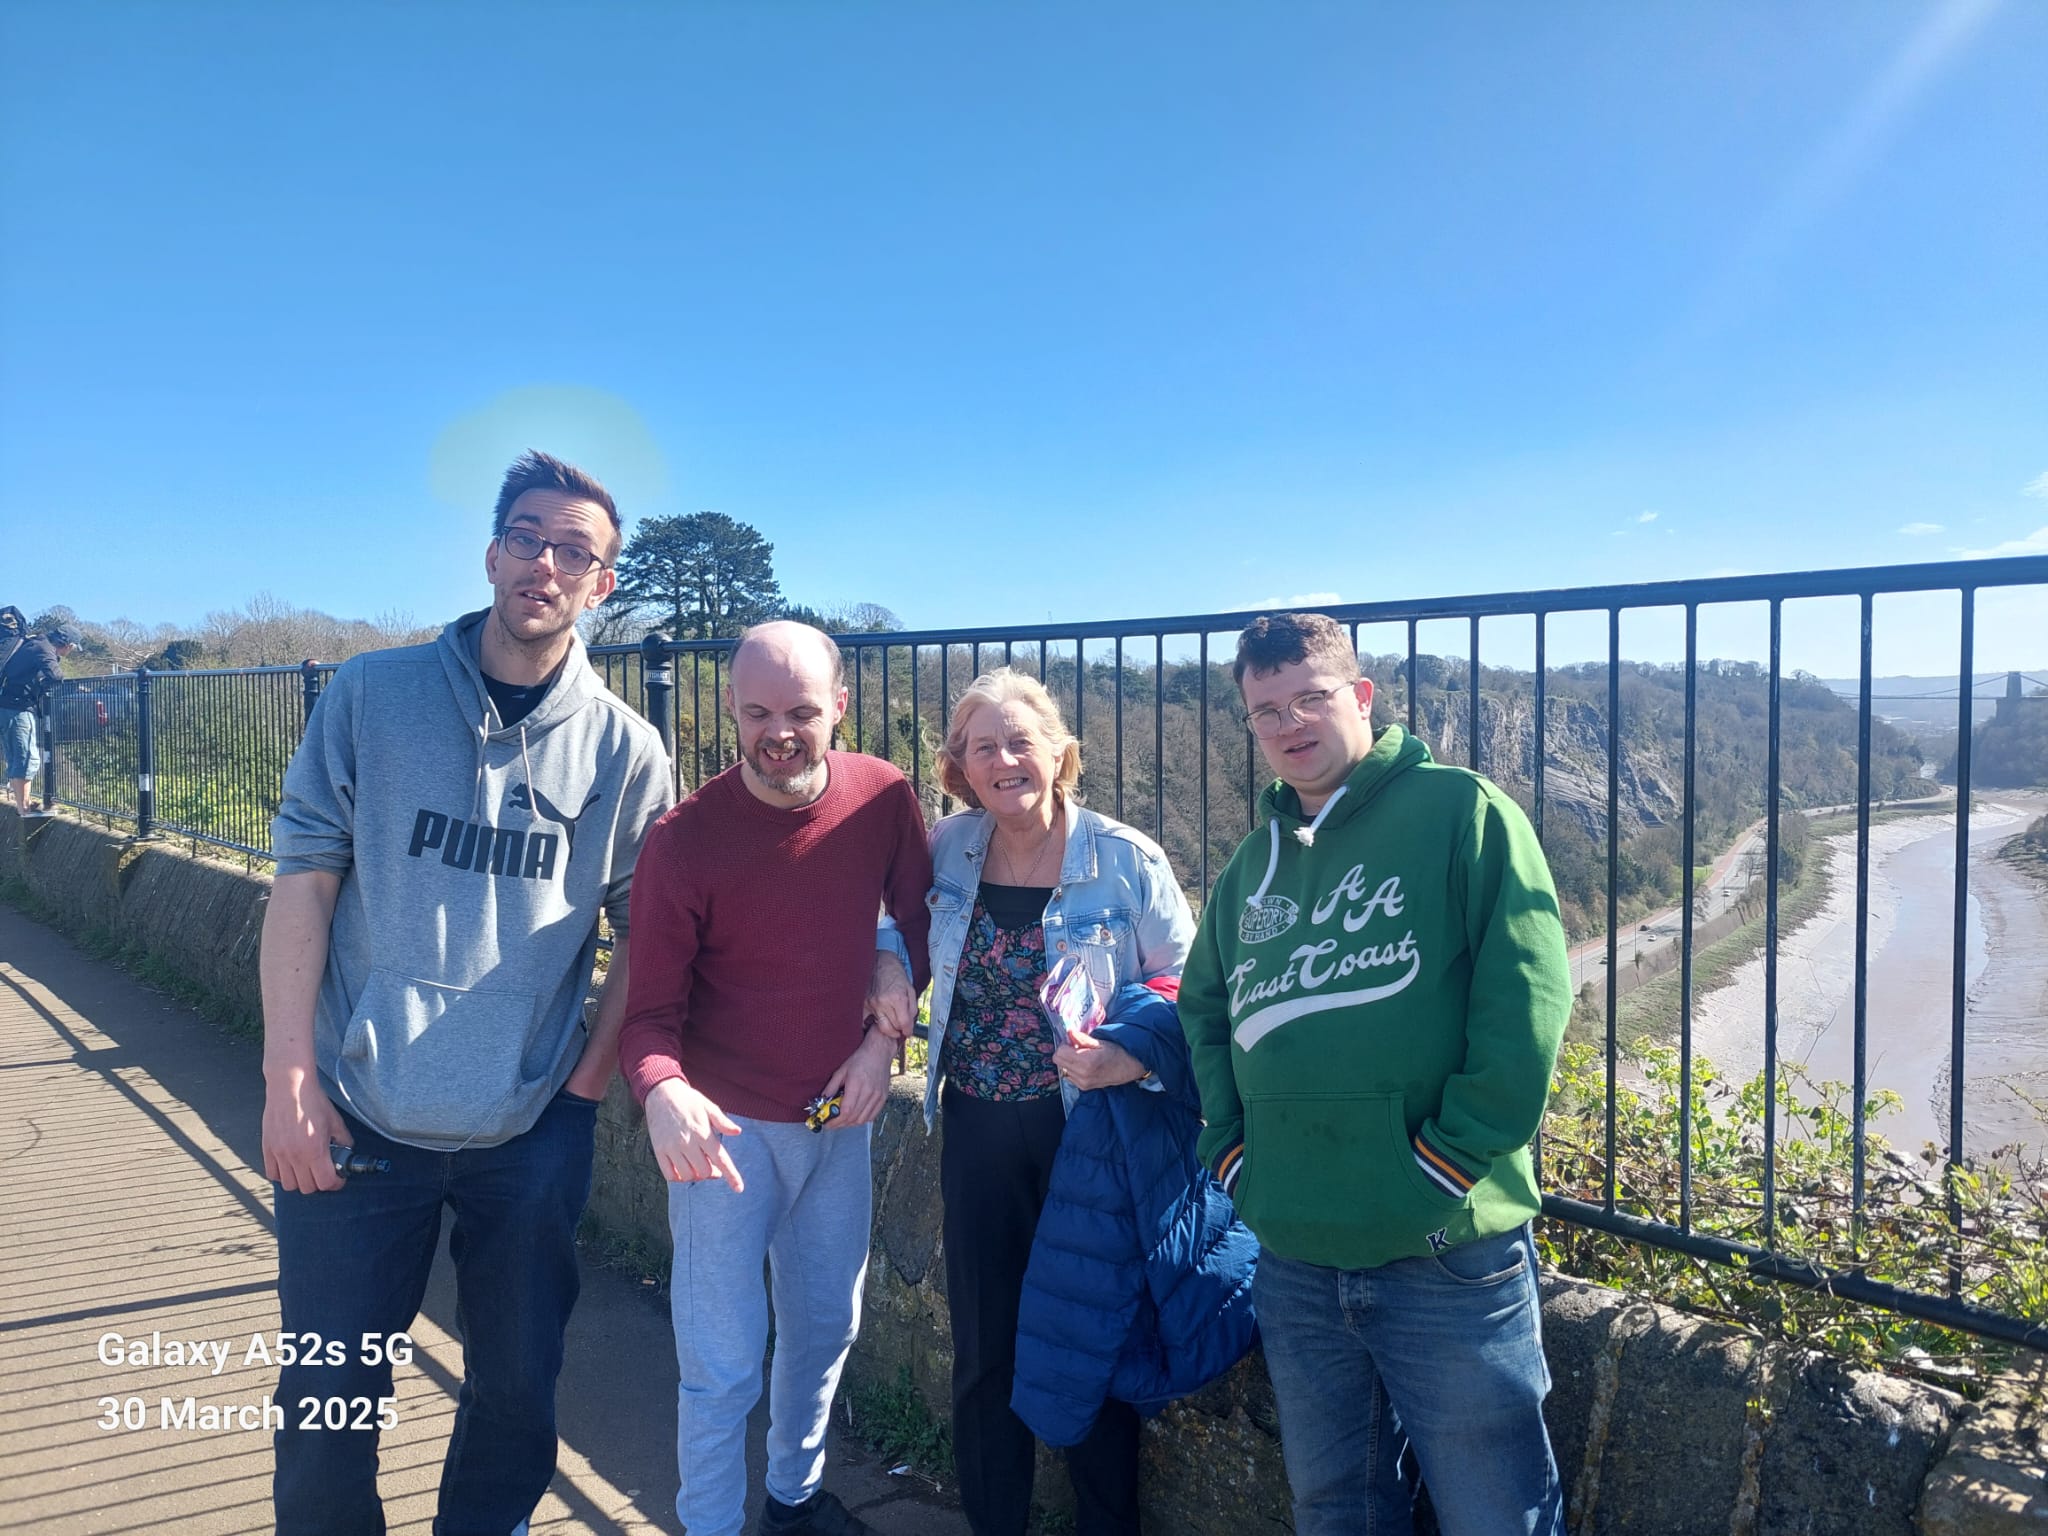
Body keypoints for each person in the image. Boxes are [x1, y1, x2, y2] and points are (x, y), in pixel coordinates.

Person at [261, 449, 672, 1536]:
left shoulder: (627, 751)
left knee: (515, 1396)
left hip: (526, 1134)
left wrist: (579, 1094)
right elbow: (304, 878)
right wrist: (289, 1078)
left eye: (573, 550)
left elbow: (644, 930)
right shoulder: (370, 692)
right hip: (354, 1122)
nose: (545, 562)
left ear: (602, 585)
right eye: (527, 537)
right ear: (493, 552)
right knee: (324, 1407)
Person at [1179, 612, 1573, 1536]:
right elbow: (1202, 1012)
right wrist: (1233, 1155)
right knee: (1336, 1510)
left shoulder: (1461, 812)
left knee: (1496, 1513)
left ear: (1360, 697)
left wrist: (1448, 1161)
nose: (1289, 722)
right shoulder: (1251, 867)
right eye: (1266, 708)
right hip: (1298, 1259)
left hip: (1445, 1249)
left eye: (1310, 696)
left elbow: (1527, 1001)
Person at [618, 620, 935, 1536]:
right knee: (720, 1364)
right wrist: (661, 1090)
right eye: (758, 711)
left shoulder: (883, 796)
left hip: (842, 1119)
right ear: (730, 709)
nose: (779, 733)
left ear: (841, 704)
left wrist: (884, 1040)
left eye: (801, 710)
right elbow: (647, 1016)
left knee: (825, 1330)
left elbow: (921, 933)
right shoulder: (683, 840)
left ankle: (793, 1497)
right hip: (727, 1135)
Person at [888, 667, 1198, 1536]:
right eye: (983, 747)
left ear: (1060, 754)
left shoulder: (1125, 859)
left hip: (1089, 1136)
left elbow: (1195, 985)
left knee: (1091, 1337)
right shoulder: (949, 849)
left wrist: (1131, 1053)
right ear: (959, 767)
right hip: (977, 1126)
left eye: (1021, 742)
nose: (1004, 760)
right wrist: (886, 978)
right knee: (985, 1348)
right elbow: (893, 932)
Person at [1, 622, 79, 814]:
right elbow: (55, 675)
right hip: (17, 707)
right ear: (68, 644)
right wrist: (45, 682)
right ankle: (24, 808)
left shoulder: (34, 642)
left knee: (16, 755)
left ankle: (24, 803)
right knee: (27, 757)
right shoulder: (43, 648)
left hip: (7, 705)